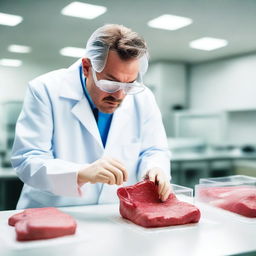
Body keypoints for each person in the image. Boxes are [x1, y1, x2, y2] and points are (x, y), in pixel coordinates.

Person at [11, 24, 171, 209]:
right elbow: (28, 159)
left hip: (113, 213)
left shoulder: (143, 98)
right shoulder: (45, 90)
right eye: (110, 83)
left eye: (129, 84)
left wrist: (155, 168)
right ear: (87, 67)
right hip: (53, 211)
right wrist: (80, 173)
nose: (120, 96)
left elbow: (154, 150)